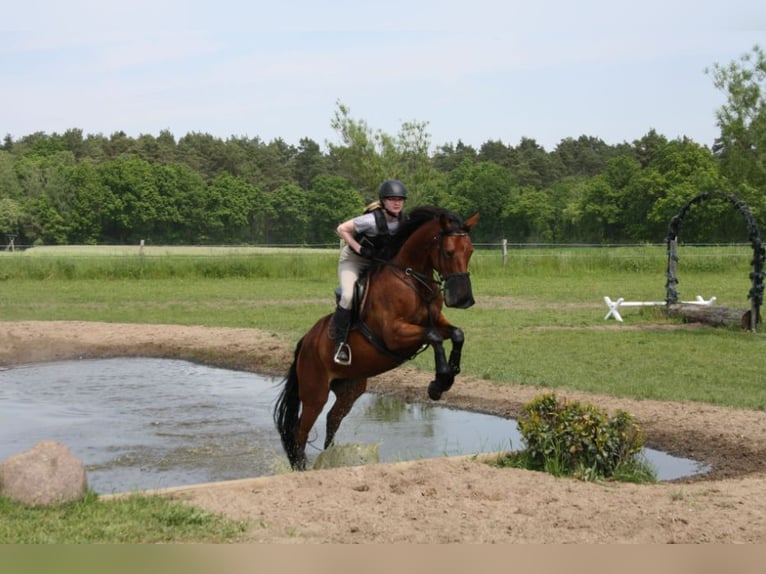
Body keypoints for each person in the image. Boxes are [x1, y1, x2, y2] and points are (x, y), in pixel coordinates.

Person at [331, 179, 408, 365]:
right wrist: (359, 248)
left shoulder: (404, 221)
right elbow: (341, 229)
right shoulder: (371, 220)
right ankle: (340, 343)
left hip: (379, 264)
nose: (397, 202)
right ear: (383, 201)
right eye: (392, 199)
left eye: (400, 199)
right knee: (349, 295)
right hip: (354, 261)